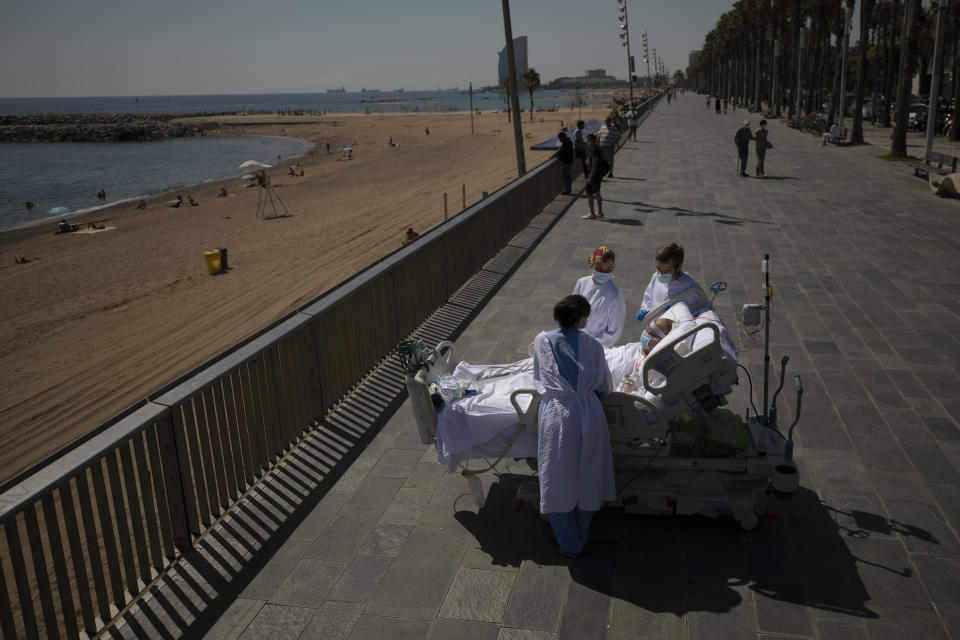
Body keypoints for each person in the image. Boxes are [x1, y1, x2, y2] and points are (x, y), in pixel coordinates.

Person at [533, 294, 615, 558]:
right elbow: (604, 386)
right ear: (583, 319)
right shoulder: (594, 346)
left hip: (558, 416)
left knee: (558, 478)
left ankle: (569, 541)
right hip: (590, 414)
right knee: (589, 475)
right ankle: (581, 529)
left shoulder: (542, 341)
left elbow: (538, 380)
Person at [572, 247, 626, 348]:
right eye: (599, 268)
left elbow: (614, 332)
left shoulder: (615, 295)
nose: (603, 272)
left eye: (608, 269)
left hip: (596, 346)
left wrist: (592, 345)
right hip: (575, 337)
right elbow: (571, 310)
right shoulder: (582, 283)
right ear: (592, 265)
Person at [635, 242, 702, 323]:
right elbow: (648, 298)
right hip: (653, 327)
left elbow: (701, 312)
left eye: (666, 271)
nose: (661, 274)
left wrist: (675, 314)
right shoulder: (656, 277)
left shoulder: (690, 288)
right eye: (658, 268)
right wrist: (644, 309)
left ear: (679, 267)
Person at [582, 134, 606, 220]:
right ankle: (600, 212)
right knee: (597, 192)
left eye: (588, 140)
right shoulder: (598, 148)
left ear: (592, 140)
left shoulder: (594, 150)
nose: (587, 142)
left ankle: (592, 214)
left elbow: (595, 164)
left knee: (589, 194)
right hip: (598, 175)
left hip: (594, 175)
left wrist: (590, 177)